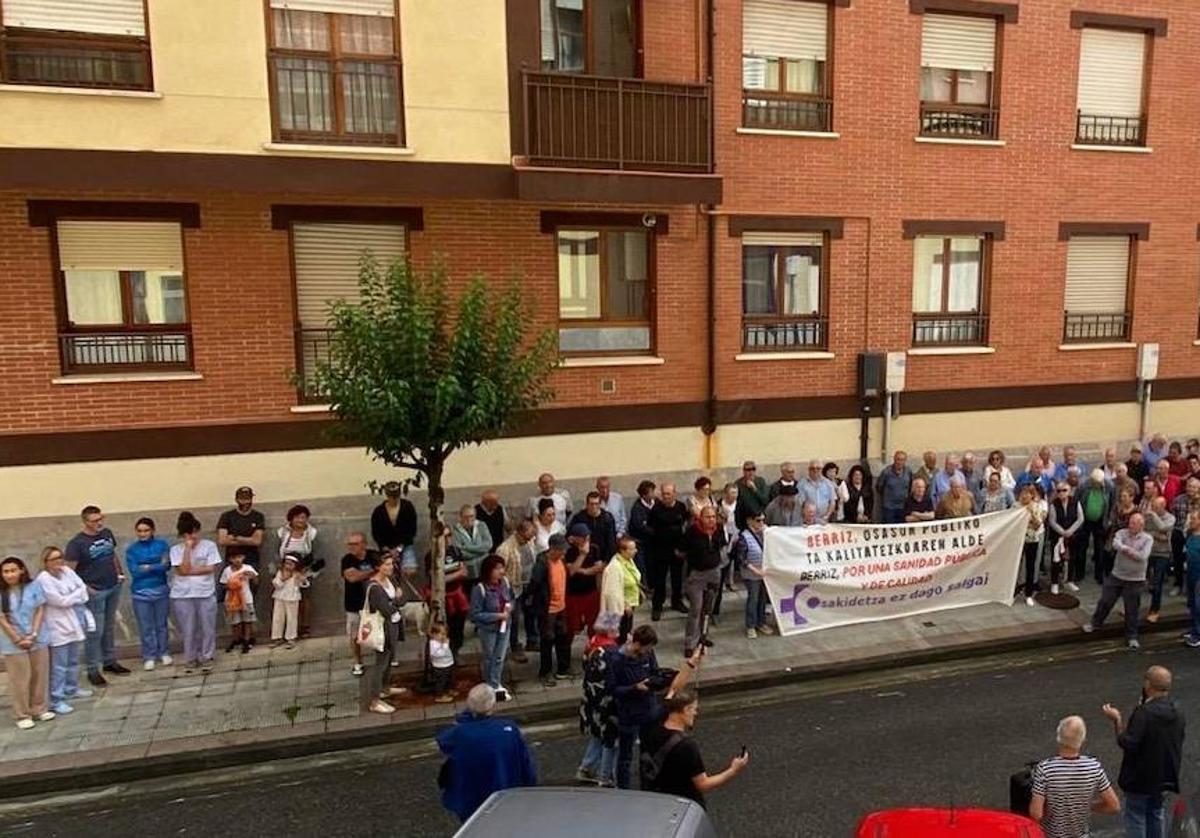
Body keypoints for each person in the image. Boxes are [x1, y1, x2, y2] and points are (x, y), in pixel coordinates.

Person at [607, 625, 700, 789]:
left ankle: (646, 786)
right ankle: (623, 790)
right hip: (628, 716)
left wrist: (658, 681)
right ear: (637, 644)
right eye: (648, 647)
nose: (650, 651)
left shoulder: (648, 653)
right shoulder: (616, 660)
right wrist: (635, 688)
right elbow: (613, 689)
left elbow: (654, 672)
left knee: (647, 753)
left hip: (649, 711)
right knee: (625, 757)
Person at [1101, 666, 1185, 836]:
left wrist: (1117, 720)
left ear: (1148, 684)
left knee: (1136, 817)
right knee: (1156, 813)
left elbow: (1127, 742)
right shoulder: (1177, 712)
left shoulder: (1144, 713)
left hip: (1140, 780)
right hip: (1165, 777)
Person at [436, 683, 538, 823]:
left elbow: (443, 742)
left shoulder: (460, 733)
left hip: (471, 795)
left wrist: (464, 717)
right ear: (492, 705)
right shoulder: (508, 729)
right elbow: (525, 761)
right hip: (504, 792)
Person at [641, 686, 749, 809]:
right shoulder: (686, 746)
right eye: (694, 709)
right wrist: (733, 770)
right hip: (683, 805)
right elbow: (703, 784)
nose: (695, 713)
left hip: (659, 800)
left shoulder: (652, 730)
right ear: (686, 709)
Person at [65, 505, 128, 687]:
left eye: (101, 519)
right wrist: (85, 588)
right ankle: (93, 669)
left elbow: (112, 554)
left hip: (112, 585)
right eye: (94, 521)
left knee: (108, 627)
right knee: (95, 631)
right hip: (95, 591)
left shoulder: (107, 533)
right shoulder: (77, 544)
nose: (99, 523)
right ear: (85, 522)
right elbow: (69, 572)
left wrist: (119, 573)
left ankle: (109, 661)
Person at [1029, 716, 1119, 838]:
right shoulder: (1093, 767)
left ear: (1058, 737)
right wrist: (1088, 807)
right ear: (1082, 739)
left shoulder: (1045, 769)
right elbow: (1113, 805)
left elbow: (1036, 814)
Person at [36, 547, 91, 715]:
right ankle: (56, 699)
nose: (58, 561)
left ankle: (71, 688)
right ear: (45, 562)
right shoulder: (43, 580)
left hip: (75, 620)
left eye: (60, 557)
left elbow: (83, 589)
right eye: (53, 559)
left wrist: (72, 596)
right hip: (57, 626)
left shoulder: (67, 571)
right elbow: (59, 601)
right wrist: (74, 595)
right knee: (59, 665)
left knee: (73, 660)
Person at [1084, 513, 1152, 649]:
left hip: (1135, 579)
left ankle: (1132, 636)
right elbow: (1116, 544)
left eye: (1134, 523)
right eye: (1130, 522)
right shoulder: (1121, 533)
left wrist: (1125, 549)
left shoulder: (1147, 539)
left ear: (1141, 526)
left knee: (1132, 608)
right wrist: (1129, 550)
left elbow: (1143, 556)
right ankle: (1095, 623)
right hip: (1117, 575)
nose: (1130, 525)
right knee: (1105, 601)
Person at [0, 557, 53, 729]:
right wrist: (18, 639)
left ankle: (39, 708)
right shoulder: (2, 593)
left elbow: (39, 609)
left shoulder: (33, 586)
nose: (10, 575)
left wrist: (34, 634)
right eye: (6, 571)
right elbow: (2, 620)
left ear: (22, 570)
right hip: (12, 641)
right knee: (20, 678)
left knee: (40, 674)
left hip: (37, 637)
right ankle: (22, 714)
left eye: (13, 570)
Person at [169, 512, 221, 670]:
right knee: (188, 627)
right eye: (189, 533)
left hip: (205, 591)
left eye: (195, 532)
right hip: (183, 593)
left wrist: (192, 570)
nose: (193, 536)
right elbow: (182, 570)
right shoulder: (176, 550)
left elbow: (211, 568)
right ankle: (190, 656)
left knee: (207, 625)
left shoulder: (209, 546)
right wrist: (187, 549)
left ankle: (207, 654)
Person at [577, 611, 621, 787]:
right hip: (605, 702)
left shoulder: (592, 644)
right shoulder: (611, 652)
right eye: (616, 626)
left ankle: (586, 767)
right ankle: (606, 775)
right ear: (609, 631)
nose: (618, 629)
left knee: (597, 735)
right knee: (611, 738)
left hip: (590, 699)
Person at [125, 517, 172, 670]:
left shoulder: (162, 545)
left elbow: (166, 566)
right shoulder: (132, 550)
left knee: (161, 624)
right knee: (146, 627)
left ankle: (163, 652)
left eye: (146, 530)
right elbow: (134, 571)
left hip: (161, 589)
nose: (143, 533)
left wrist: (146, 566)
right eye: (139, 531)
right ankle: (149, 655)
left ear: (152, 531)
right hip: (140, 592)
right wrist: (155, 565)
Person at [364, 553, 408, 714]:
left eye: (391, 564)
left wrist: (396, 601)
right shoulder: (374, 587)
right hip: (382, 627)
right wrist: (396, 601)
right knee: (381, 662)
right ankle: (375, 700)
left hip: (394, 624)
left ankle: (385, 687)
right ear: (378, 567)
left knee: (390, 657)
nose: (390, 567)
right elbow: (386, 608)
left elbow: (403, 598)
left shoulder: (391, 579)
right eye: (386, 565)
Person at [529, 534, 572, 686]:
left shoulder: (561, 561)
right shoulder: (542, 563)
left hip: (561, 607)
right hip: (548, 609)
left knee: (563, 638)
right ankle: (545, 672)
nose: (563, 553)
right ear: (553, 549)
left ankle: (562, 669)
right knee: (547, 640)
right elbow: (534, 584)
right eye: (561, 550)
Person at [469, 554, 514, 701]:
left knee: (499, 657)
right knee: (490, 657)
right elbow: (475, 614)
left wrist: (509, 608)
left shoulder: (505, 583)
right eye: (498, 568)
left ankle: (495, 682)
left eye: (502, 568)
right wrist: (497, 616)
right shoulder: (480, 589)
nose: (501, 572)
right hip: (489, 629)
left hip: (504, 626)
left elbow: (510, 598)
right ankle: (491, 684)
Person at [682, 506, 724, 658]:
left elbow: (722, 545)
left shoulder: (719, 529)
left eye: (713, 516)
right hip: (697, 575)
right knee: (696, 608)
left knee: (707, 609)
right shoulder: (692, 531)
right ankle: (690, 643)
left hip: (713, 572)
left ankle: (703, 636)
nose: (711, 520)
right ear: (701, 517)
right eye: (708, 517)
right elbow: (682, 550)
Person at [494, 518, 536, 663]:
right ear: (522, 532)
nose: (534, 534)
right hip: (512, 588)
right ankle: (512, 646)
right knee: (514, 619)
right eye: (531, 531)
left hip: (527, 584)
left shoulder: (529, 542)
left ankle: (532, 640)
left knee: (530, 613)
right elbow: (499, 572)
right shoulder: (505, 549)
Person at [647, 482, 689, 620]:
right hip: (660, 551)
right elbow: (651, 529)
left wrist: (682, 549)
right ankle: (657, 606)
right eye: (663, 494)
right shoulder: (655, 509)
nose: (665, 496)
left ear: (674, 494)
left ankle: (677, 602)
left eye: (668, 494)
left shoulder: (681, 507)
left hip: (677, 550)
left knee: (677, 578)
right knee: (660, 580)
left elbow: (685, 527)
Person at [276, 504, 319, 637]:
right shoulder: (282, 532)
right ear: (291, 518)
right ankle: (287, 629)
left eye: (303, 517)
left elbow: (314, 552)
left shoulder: (311, 533)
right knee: (286, 599)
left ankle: (304, 626)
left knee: (305, 598)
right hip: (286, 570)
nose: (300, 520)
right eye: (297, 517)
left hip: (304, 570)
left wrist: (303, 570)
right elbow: (277, 551)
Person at [341, 532, 378, 676]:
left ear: (363, 544)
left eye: (355, 544)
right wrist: (373, 571)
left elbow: (384, 570)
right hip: (354, 603)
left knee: (377, 633)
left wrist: (362, 573)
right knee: (355, 636)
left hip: (373, 602)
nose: (351, 547)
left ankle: (383, 660)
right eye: (349, 544)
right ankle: (357, 661)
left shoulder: (373, 555)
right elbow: (352, 577)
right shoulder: (347, 560)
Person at [733, 512, 773, 639]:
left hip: (764, 573)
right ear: (750, 521)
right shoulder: (744, 537)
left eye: (763, 520)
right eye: (758, 520)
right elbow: (741, 558)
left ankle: (761, 622)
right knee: (753, 599)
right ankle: (750, 625)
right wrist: (755, 570)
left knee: (762, 599)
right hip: (751, 574)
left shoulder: (765, 533)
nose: (761, 523)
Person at [601, 536, 642, 644]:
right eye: (632, 549)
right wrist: (625, 604)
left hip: (631, 603)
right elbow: (612, 592)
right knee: (622, 634)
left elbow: (633, 577)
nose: (636, 551)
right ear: (623, 551)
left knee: (627, 630)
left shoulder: (628, 560)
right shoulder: (614, 567)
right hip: (621, 608)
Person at [370, 482, 418, 574]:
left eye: (396, 496)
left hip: (405, 544)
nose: (394, 499)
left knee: (410, 570)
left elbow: (412, 530)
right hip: (386, 547)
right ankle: (393, 587)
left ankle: (402, 586)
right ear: (387, 496)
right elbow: (376, 532)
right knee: (388, 571)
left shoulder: (407, 507)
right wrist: (386, 548)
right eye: (391, 497)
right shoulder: (379, 511)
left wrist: (399, 548)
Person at [216, 486, 266, 571]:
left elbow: (257, 541)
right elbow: (222, 540)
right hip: (232, 560)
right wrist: (249, 540)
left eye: (248, 498)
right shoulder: (227, 516)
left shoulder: (258, 516)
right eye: (242, 499)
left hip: (251, 559)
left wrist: (235, 537)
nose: (246, 502)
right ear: (237, 500)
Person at [1142, 496, 1174, 624]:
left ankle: (1154, 610)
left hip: (1163, 553)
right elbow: (1143, 531)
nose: (1152, 509)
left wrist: (1153, 518)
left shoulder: (1170, 518)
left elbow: (1163, 528)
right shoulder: (1148, 516)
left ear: (1163, 506)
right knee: (1139, 581)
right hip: (1148, 552)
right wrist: (1155, 535)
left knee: (1158, 581)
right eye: (1152, 506)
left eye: (1155, 507)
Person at [219, 547, 258, 654]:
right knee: (235, 621)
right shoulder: (227, 571)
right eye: (234, 558)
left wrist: (252, 576)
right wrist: (232, 584)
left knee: (247, 620)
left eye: (239, 557)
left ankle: (247, 639)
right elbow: (223, 585)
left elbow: (256, 582)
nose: (237, 560)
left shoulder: (248, 568)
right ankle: (236, 638)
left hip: (246, 598)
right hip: (232, 600)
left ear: (244, 557)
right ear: (230, 559)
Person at [1048, 482, 1084, 590]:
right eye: (1059, 490)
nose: (1062, 493)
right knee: (1056, 560)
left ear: (1069, 491)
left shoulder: (1075, 502)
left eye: (1064, 490)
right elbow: (1052, 521)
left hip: (1072, 535)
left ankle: (1069, 580)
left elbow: (1080, 518)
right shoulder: (1054, 504)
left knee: (1072, 558)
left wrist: (1071, 530)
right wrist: (1063, 532)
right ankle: (1054, 582)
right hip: (1058, 536)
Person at [1077, 469, 1110, 586]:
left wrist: (1109, 519)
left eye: (1099, 482)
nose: (1098, 484)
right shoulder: (1084, 485)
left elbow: (1112, 501)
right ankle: (1079, 573)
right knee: (1082, 547)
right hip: (1085, 521)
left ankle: (1099, 575)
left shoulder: (1109, 486)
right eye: (1095, 482)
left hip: (1100, 522)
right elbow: (1077, 501)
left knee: (1099, 548)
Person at [569, 491, 618, 567]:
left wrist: (605, 561)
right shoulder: (579, 518)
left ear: (600, 504)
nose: (594, 506)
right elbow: (570, 537)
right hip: (584, 558)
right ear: (587, 504)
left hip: (603, 558)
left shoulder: (607, 518)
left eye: (596, 504)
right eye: (591, 504)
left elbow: (612, 542)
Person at [271, 555, 308, 648]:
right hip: (280, 597)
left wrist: (302, 580)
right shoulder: (280, 573)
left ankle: (291, 638)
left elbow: (305, 584)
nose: (288, 566)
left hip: (292, 598)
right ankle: (277, 637)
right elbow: (276, 584)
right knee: (277, 618)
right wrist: (283, 579)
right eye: (286, 563)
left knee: (292, 618)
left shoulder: (297, 574)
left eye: (291, 564)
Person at [1019, 485, 1046, 605]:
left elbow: (1037, 525)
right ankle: (1017, 588)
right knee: (1017, 566)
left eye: (1027, 493)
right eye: (1022, 493)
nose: (1024, 495)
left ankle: (1028, 593)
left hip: (1031, 540)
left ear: (1032, 495)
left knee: (1030, 566)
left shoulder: (1036, 507)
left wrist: (1031, 512)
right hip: (1017, 541)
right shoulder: (1015, 506)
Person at [451, 505, 493, 583]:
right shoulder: (454, 530)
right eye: (466, 517)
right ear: (460, 517)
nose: (469, 519)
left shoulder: (482, 525)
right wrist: (481, 552)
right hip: (467, 574)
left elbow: (488, 545)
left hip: (484, 569)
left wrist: (466, 547)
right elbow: (459, 552)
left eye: (471, 516)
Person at [628, 479, 658, 576]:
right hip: (642, 542)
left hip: (654, 542)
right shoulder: (637, 508)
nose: (654, 494)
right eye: (651, 492)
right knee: (643, 566)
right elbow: (640, 526)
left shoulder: (657, 503)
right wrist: (655, 531)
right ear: (644, 495)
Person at [876, 451, 912, 524]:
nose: (900, 462)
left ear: (905, 461)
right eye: (898, 459)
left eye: (902, 460)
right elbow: (879, 486)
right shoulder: (886, 472)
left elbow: (911, 485)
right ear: (894, 460)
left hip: (903, 506)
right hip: (889, 507)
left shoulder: (908, 471)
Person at [734, 461, 770, 529]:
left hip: (759, 518)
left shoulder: (760, 481)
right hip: (745, 519)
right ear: (743, 471)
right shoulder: (738, 484)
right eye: (748, 470)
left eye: (753, 469)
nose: (751, 472)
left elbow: (765, 500)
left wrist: (755, 489)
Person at [428, 623, 457, 703]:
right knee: (441, 681)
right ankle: (439, 695)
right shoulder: (433, 644)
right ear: (434, 634)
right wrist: (445, 645)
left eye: (445, 634)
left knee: (449, 678)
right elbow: (438, 654)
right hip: (440, 666)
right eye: (442, 634)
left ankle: (448, 689)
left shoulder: (442, 641)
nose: (444, 637)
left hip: (448, 663)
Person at [1183, 512, 1200, 648]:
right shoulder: (1190, 534)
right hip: (1190, 574)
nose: (1190, 521)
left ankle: (1198, 634)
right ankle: (1193, 628)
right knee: (1192, 603)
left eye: (1193, 519)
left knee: (1198, 605)